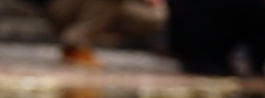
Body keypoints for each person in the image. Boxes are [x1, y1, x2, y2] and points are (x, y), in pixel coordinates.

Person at [28, 0, 167, 66]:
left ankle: (86, 36)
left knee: (155, 16)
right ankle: (75, 40)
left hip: (102, 7)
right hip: (60, 5)